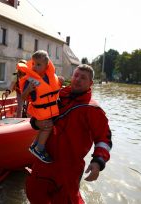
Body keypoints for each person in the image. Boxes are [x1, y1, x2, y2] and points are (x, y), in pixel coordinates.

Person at [26, 64, 112, 204]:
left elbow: (104, 139)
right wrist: (37, 123)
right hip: (43, 161)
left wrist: (97, 162)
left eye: (83, 78)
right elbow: (36, 118)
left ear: (90, 83)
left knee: (67, 200)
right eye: (76, 75)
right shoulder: (55, 97)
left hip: (68, 169)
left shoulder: (93, 110)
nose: (78, 79)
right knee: (34, 194)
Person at [18, 50, 61, 163]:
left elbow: (54, 90)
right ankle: (39, 149)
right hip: (40, 111)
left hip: (49, 110)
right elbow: (22, 97)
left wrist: (60, 82)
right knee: (47, 127)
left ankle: (34, 145)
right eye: (33, 64)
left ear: (46, 65)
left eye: (38, 64)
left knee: (44, 128)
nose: (34, 67)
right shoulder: (31, 79)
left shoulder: (51, 76)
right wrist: (28, 90)